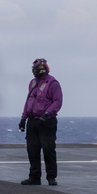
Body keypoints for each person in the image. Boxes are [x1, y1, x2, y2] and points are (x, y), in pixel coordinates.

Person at [19, 58, 62, 186]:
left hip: (47, 121)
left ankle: (51, 177)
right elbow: (29, 102)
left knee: (48, 149)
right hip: (32, 121)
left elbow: (57, 102)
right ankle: (34, 177)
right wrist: (23, 118)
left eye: (35, 70)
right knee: (32, 150)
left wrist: (47, 114)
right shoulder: (32, 83)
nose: (34, 72)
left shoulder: (53, 83)